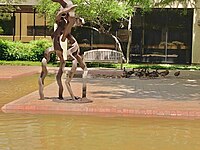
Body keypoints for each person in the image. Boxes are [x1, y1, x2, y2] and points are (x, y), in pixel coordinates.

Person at [38, 0, 88, 101]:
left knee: (68, 67)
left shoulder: (67, 27)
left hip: (66, 48)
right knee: (55, 69)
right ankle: (53, 96)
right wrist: (66, 10)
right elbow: (61, 18)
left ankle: (77, 94)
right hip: (58, 47)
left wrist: (68, 11)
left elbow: (68, 30)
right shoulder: (61, 24)